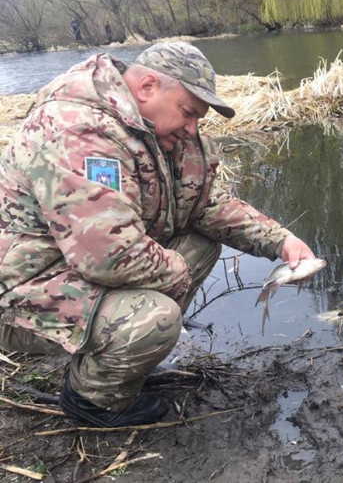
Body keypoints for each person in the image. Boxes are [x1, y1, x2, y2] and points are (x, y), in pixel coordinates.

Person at [0, 41, 318, 428]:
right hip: (20, 291)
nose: (192, 128)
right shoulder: (80, 133)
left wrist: (279, 241)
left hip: (78, 267)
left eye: (198, 119)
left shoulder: (160, 132)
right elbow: (109, 256)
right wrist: (176, 280)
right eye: (188, 113)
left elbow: (206, 206)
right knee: (157, 318)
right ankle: (92, 400)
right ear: (148, 87)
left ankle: (128, 354)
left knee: (201, 243)